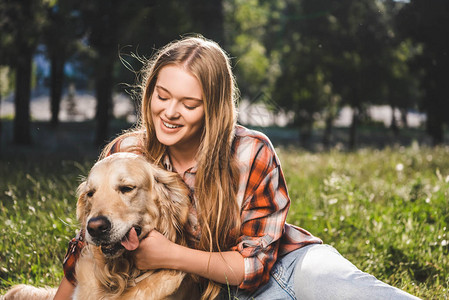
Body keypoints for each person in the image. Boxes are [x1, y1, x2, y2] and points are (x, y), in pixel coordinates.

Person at [55, 36, 420, 300]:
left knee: (352, 292)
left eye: (189, 103)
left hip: (286, 267)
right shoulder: (128, 153)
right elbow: (90, 239)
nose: (169, 112)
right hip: (212, 293)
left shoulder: (251, 151)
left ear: (213, 108)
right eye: (162, 96)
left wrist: (169, 255)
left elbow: (256, 266)